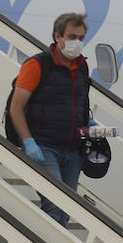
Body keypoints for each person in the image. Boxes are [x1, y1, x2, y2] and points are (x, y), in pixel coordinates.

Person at [8, 12, 93, 225]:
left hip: (73, 150)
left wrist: (89, 125)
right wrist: (28, 141)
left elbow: (79, 105)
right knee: (55, 205)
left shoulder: (81, 67)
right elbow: (16, 108)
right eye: (72, 37)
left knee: (66, 210)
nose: (77, 43)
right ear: (58, 36)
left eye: (81, 38)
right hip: (44, 147)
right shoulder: (37, 65)